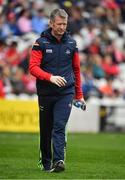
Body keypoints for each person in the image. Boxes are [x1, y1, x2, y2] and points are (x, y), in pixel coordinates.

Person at [29, 8, 86, 173]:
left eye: (65, 24)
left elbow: (76, 70)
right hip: (46, 92)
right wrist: (50, 77)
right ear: (51, 23)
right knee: (46, 129)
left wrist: (79, 96)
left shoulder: (72, 44)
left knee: (59, 125)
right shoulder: (40, 43)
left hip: (66, 93)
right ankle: (45, 164)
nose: (62, 27)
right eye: (59, 24)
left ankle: (59, 161)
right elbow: (33, 68)